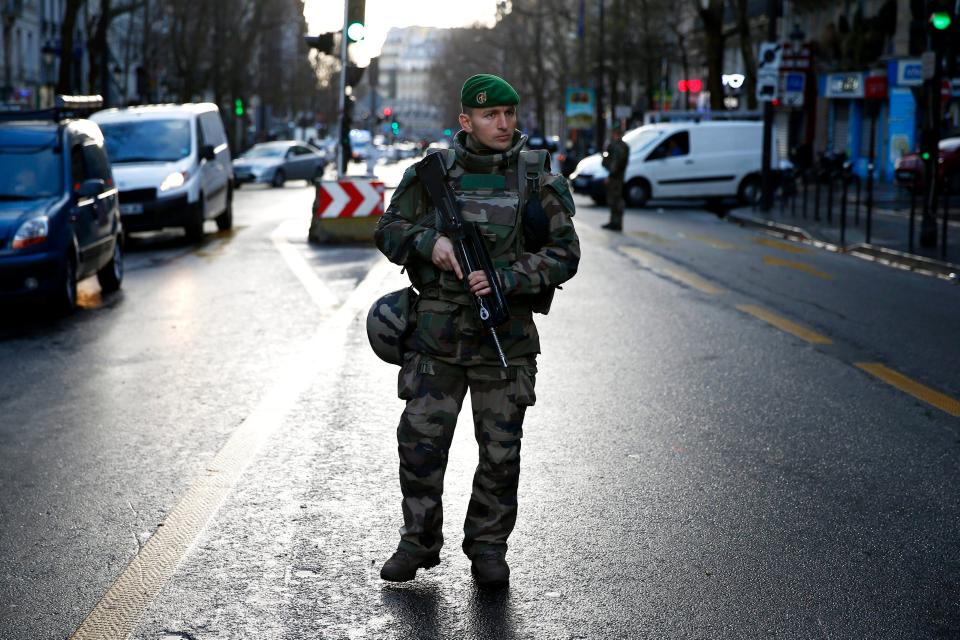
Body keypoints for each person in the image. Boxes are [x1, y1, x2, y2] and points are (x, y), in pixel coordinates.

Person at [373, 74, 580, 588]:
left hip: (504, 338)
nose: (503, 124)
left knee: (500, 453)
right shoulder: (432, 175)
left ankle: (488, 548)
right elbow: (388, 229)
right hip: (436, 339)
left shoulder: (536, 178)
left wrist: (508, 277)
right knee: (420, 446)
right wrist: (429, 244)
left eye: (509, 115)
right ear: (466, 121)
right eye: (491, 116)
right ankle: (417, 543)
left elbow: (565, 254)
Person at [601, 123, 629, 231]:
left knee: (616, 200)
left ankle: (616, 222)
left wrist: (610, 175)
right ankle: (614, 221)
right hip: (616, 176)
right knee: (613, 199)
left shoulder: (620, 146)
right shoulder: (616, 145)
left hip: (616, 177)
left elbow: (616, 163)